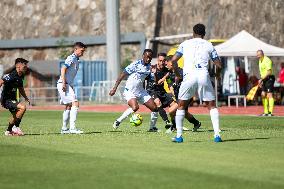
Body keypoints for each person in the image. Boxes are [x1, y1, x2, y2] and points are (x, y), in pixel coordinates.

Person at [168, 23, 222, 143]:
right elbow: (218, 65)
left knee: (181, 105)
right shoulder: (209, 45)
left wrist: (177, 74)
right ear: (204, 34)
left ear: (193, 33)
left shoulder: (185, 44)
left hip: (189, 76)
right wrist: (217, 74)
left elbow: (173, 60)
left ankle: (179, 136)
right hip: (203, 75)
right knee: (212, 105)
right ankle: (217, 135)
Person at [109, 49, 159, 130]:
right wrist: (114, 88)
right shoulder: (135, 65)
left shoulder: (150, 67)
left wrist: (155, 72)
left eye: (150, 58)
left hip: (141, 91)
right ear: (143, 56)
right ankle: (118, 121)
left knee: (155, 108)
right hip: (130, 91)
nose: (148, 59)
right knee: (135, 107)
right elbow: (122, 75)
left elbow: (155, 81)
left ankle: (152, 128)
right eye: (147, 57)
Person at [165, 55, 201, 133]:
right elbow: (170, 86)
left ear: (171, 63)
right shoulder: (168, 75)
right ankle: (196, 123)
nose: (165, 65)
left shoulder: (182, 72)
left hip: (186, 96)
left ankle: (174, 126)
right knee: (184, 113)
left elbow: (190, 83)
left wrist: (194, 94)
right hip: (178, 97)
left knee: (171, 111)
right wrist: (174, 96)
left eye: (166, 63)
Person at [57, 42, 86, 134]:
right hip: (63, 83)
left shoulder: (76, 59)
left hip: (66, 84)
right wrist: (64, 83)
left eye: (83, 51)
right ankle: (72, 128)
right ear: (76, 49)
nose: (83, 53)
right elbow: (63, 68)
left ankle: (64, 129)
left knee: (68, 106)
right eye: (81, 50)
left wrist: (69, 85)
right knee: (75, 103)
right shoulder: (72, 58)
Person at [145, 52, 175, 132]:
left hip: (162, 91)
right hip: (151, 90)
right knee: (158, 103)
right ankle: (167, 122)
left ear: (165, 61)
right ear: (157, 60)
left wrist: (173, 93)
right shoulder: (152, 68)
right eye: (160, 60)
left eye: (163, 61)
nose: (161, 62)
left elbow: (169, 83)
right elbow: (158, 82)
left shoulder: (166, 70)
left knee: (174, 105)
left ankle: (175, 125)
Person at [0, 58, 30, 136]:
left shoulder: (21, 76)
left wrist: (26, 97)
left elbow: (20, 88)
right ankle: (15, 127)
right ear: (18, 66)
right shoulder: (11, 75)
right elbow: (1, 82)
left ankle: (8, 131)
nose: (26, 67)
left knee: (15, 115)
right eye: (24, 65)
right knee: (22, 107)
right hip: (6, 99)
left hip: (12, 99)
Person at [256, 50, 275, 116]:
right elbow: (262, 72)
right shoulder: (259, 60)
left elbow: (269, 72)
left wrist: (261, 79)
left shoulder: (267, 60)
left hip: (269, 78)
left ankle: (270, 112)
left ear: (262, 54)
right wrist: (261, 80)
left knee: (269, 95)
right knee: (263, 94)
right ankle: (266, 112)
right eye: (257, 55)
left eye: (258, 55)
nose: (257, 56)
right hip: (264, 79)